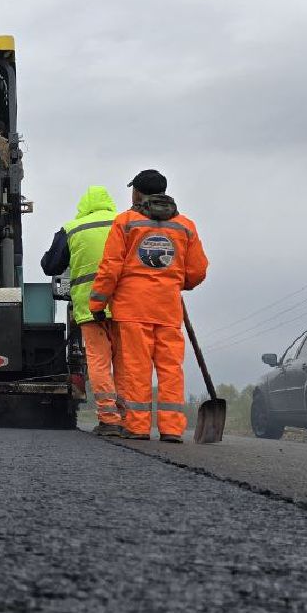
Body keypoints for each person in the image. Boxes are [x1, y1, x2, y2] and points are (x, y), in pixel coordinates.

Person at [87, 170, 208, 442]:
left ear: (137, 193)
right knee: (170, 368)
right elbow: (198, 270)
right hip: (168, 309)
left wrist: (98, 302)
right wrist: (176, 282)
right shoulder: (185, 226)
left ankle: (138, 426)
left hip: (132, 309)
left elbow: (110, 268)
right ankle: (172, 428)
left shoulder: (126, 222)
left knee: (136, 368)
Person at [42, 186, 121, 436]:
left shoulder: (73, 228)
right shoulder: (124, 223)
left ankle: (109, 419)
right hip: (124, 306)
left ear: (84, 205)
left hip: (90, 308)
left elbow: (50, 265)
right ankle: (133, 420)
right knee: (128, 363)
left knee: (99, 361)